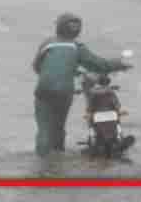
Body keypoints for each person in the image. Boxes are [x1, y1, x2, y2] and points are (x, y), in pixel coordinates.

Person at [31, 12, 131, 156]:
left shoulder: (47, 44)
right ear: (78, 30)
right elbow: (99, 65)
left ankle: (41, 163)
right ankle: (58, 157)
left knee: (44, 128)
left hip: (43, 90)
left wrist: (65, 72)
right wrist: (119, 64)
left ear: (58, 27)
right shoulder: (76, 47)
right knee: (59, 126)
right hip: (64, 92)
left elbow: (37, 66)